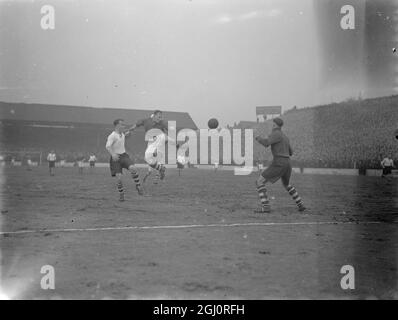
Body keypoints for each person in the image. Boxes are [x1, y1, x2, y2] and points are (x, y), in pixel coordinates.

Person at [254, 117, 306, 213]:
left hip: (279, 162)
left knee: (260, 182)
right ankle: (300, 204)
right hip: (288, 163)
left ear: (274, 125)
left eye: (272, 124)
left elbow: (266, 143)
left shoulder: (275, 133)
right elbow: (291, 152)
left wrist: (257, 137)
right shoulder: (285, 136)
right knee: (286, 184)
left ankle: (266, 207)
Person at [106, 119, 144, 201]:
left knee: (133, 168)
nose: (124, 126)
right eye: (122, 124)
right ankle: (121, 193)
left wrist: (132, 130)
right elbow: (108, 146)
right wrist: (113, 154)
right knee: (119, 178)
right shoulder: (112, 135)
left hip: (124, 156)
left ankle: (138, 185)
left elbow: (126, 134)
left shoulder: (122, 134)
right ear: (117, 125)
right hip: (115, 158)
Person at [129, 110, 168, 180]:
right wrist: (132, 128)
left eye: (161, 117)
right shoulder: (146, 121)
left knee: (155, 156)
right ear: (154, 115)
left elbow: (169, 130)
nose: (160, 118)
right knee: (147, 159)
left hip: (158, 141)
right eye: (159, 117)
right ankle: (161, 169)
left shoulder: (162, 123)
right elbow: (138, 124)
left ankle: (160, 168)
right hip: (150, 142)